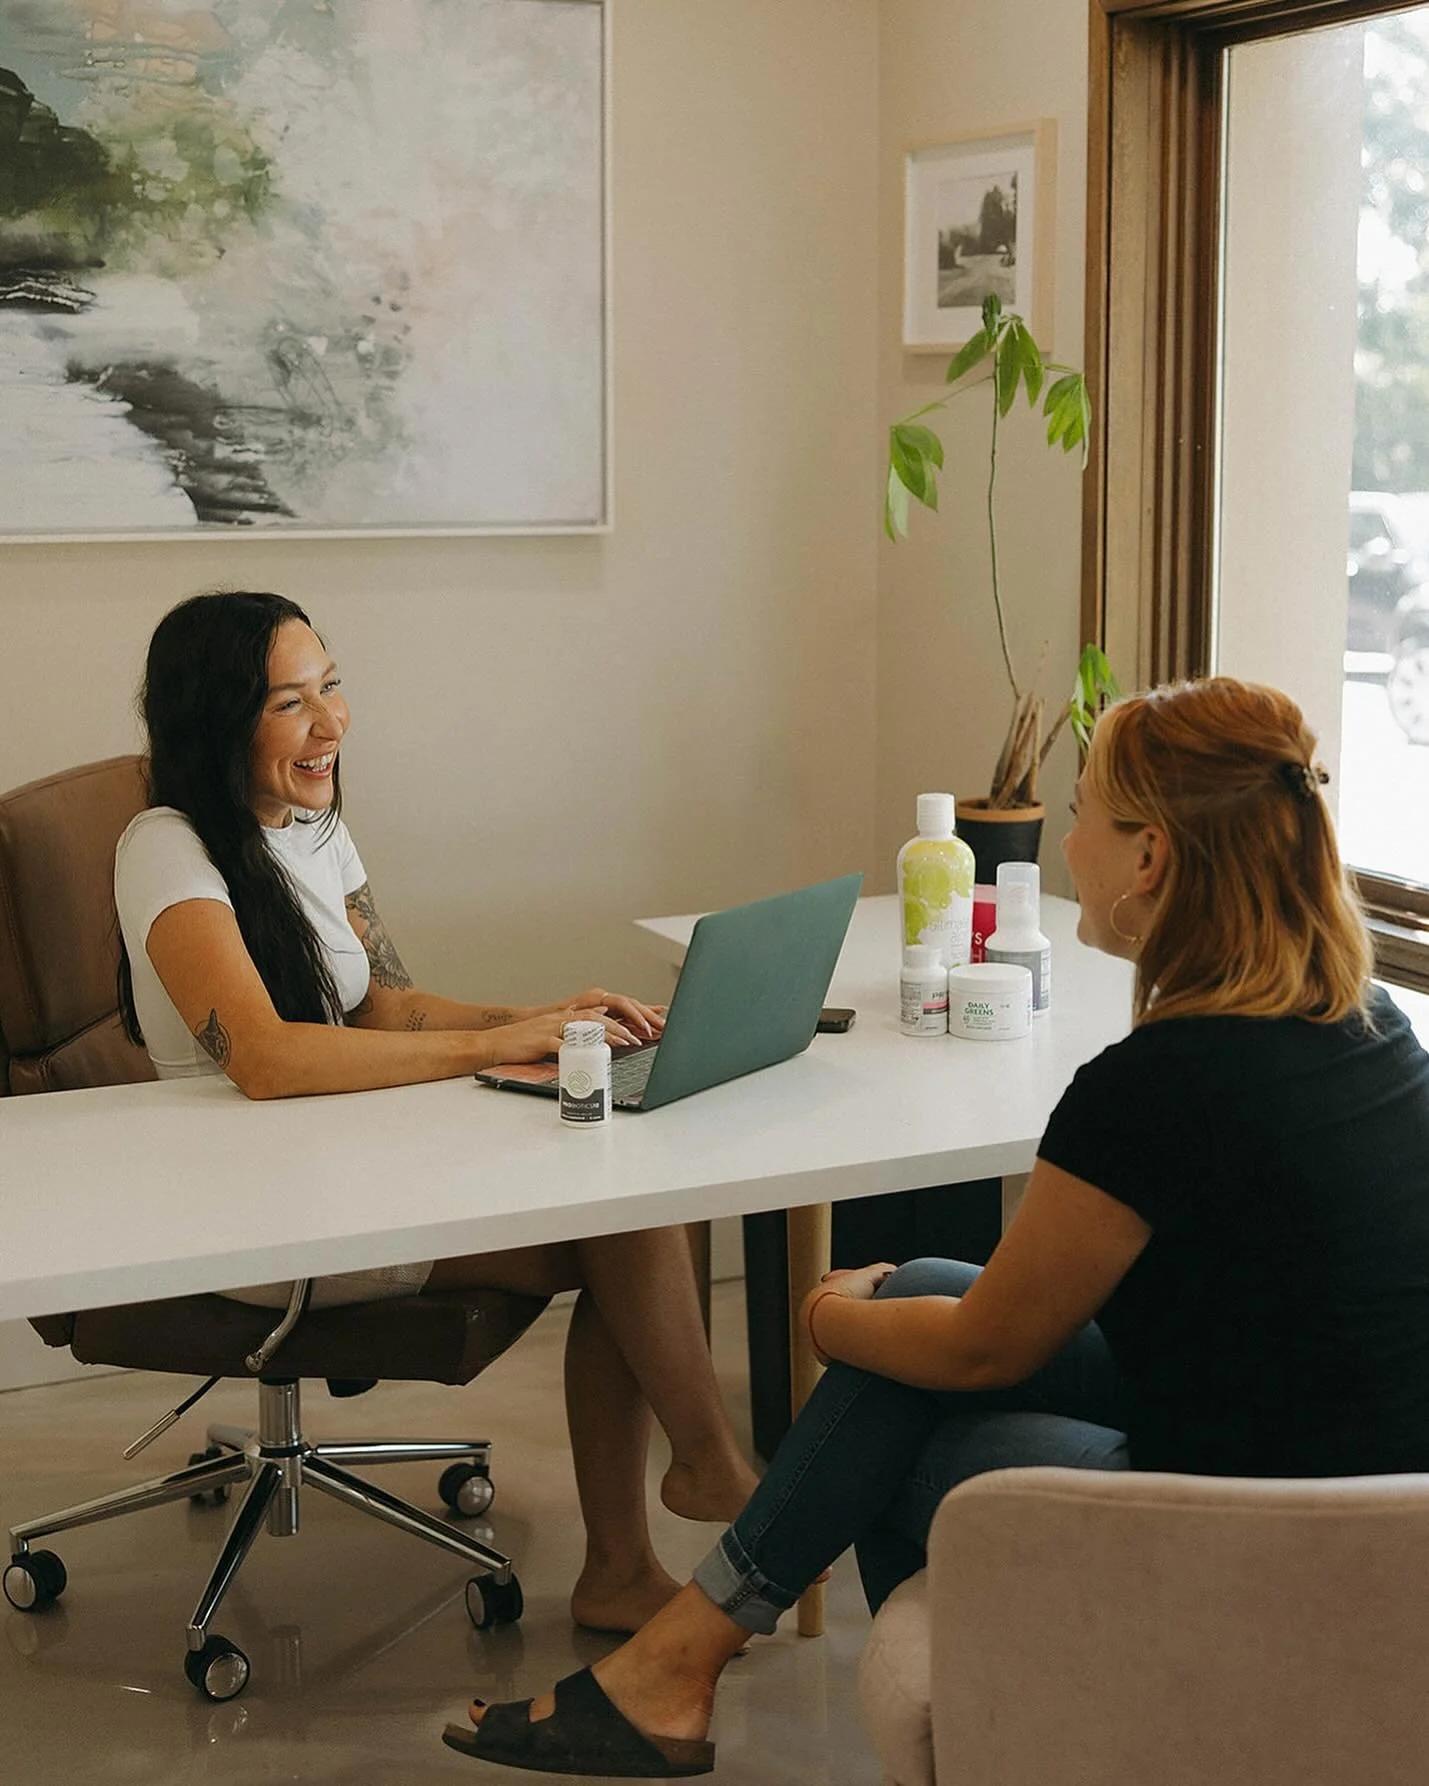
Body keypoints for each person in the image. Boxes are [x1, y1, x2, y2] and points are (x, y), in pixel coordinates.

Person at [446, 675, 1429, 1777]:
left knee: (900, 1408)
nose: (1067, 841)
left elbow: (983, 1350)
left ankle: (833, 1700)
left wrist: (828, 1318)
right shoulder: (1369, 1019)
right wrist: (889, 1306)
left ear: (1149, 856)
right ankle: (679, 1663)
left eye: (1084, 811)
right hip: (1380, 1497)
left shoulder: (1159, 1085)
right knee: (918, 1283)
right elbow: (1006, 1315)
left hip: (1262, 1534)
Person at [113, 589, 758, 1637]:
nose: (331, 724)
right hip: (247, 1213)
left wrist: (544, 1013)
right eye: (291, 702)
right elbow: (267, 1060)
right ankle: (698, 1481)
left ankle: (651, 1529)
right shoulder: (167, 846)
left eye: (332, 686)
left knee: (635, 1197)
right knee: (624, 1222)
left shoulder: (313, 823)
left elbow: (385, 1002)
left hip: (347, 1160)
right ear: (216, 720)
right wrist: (498, 1045)